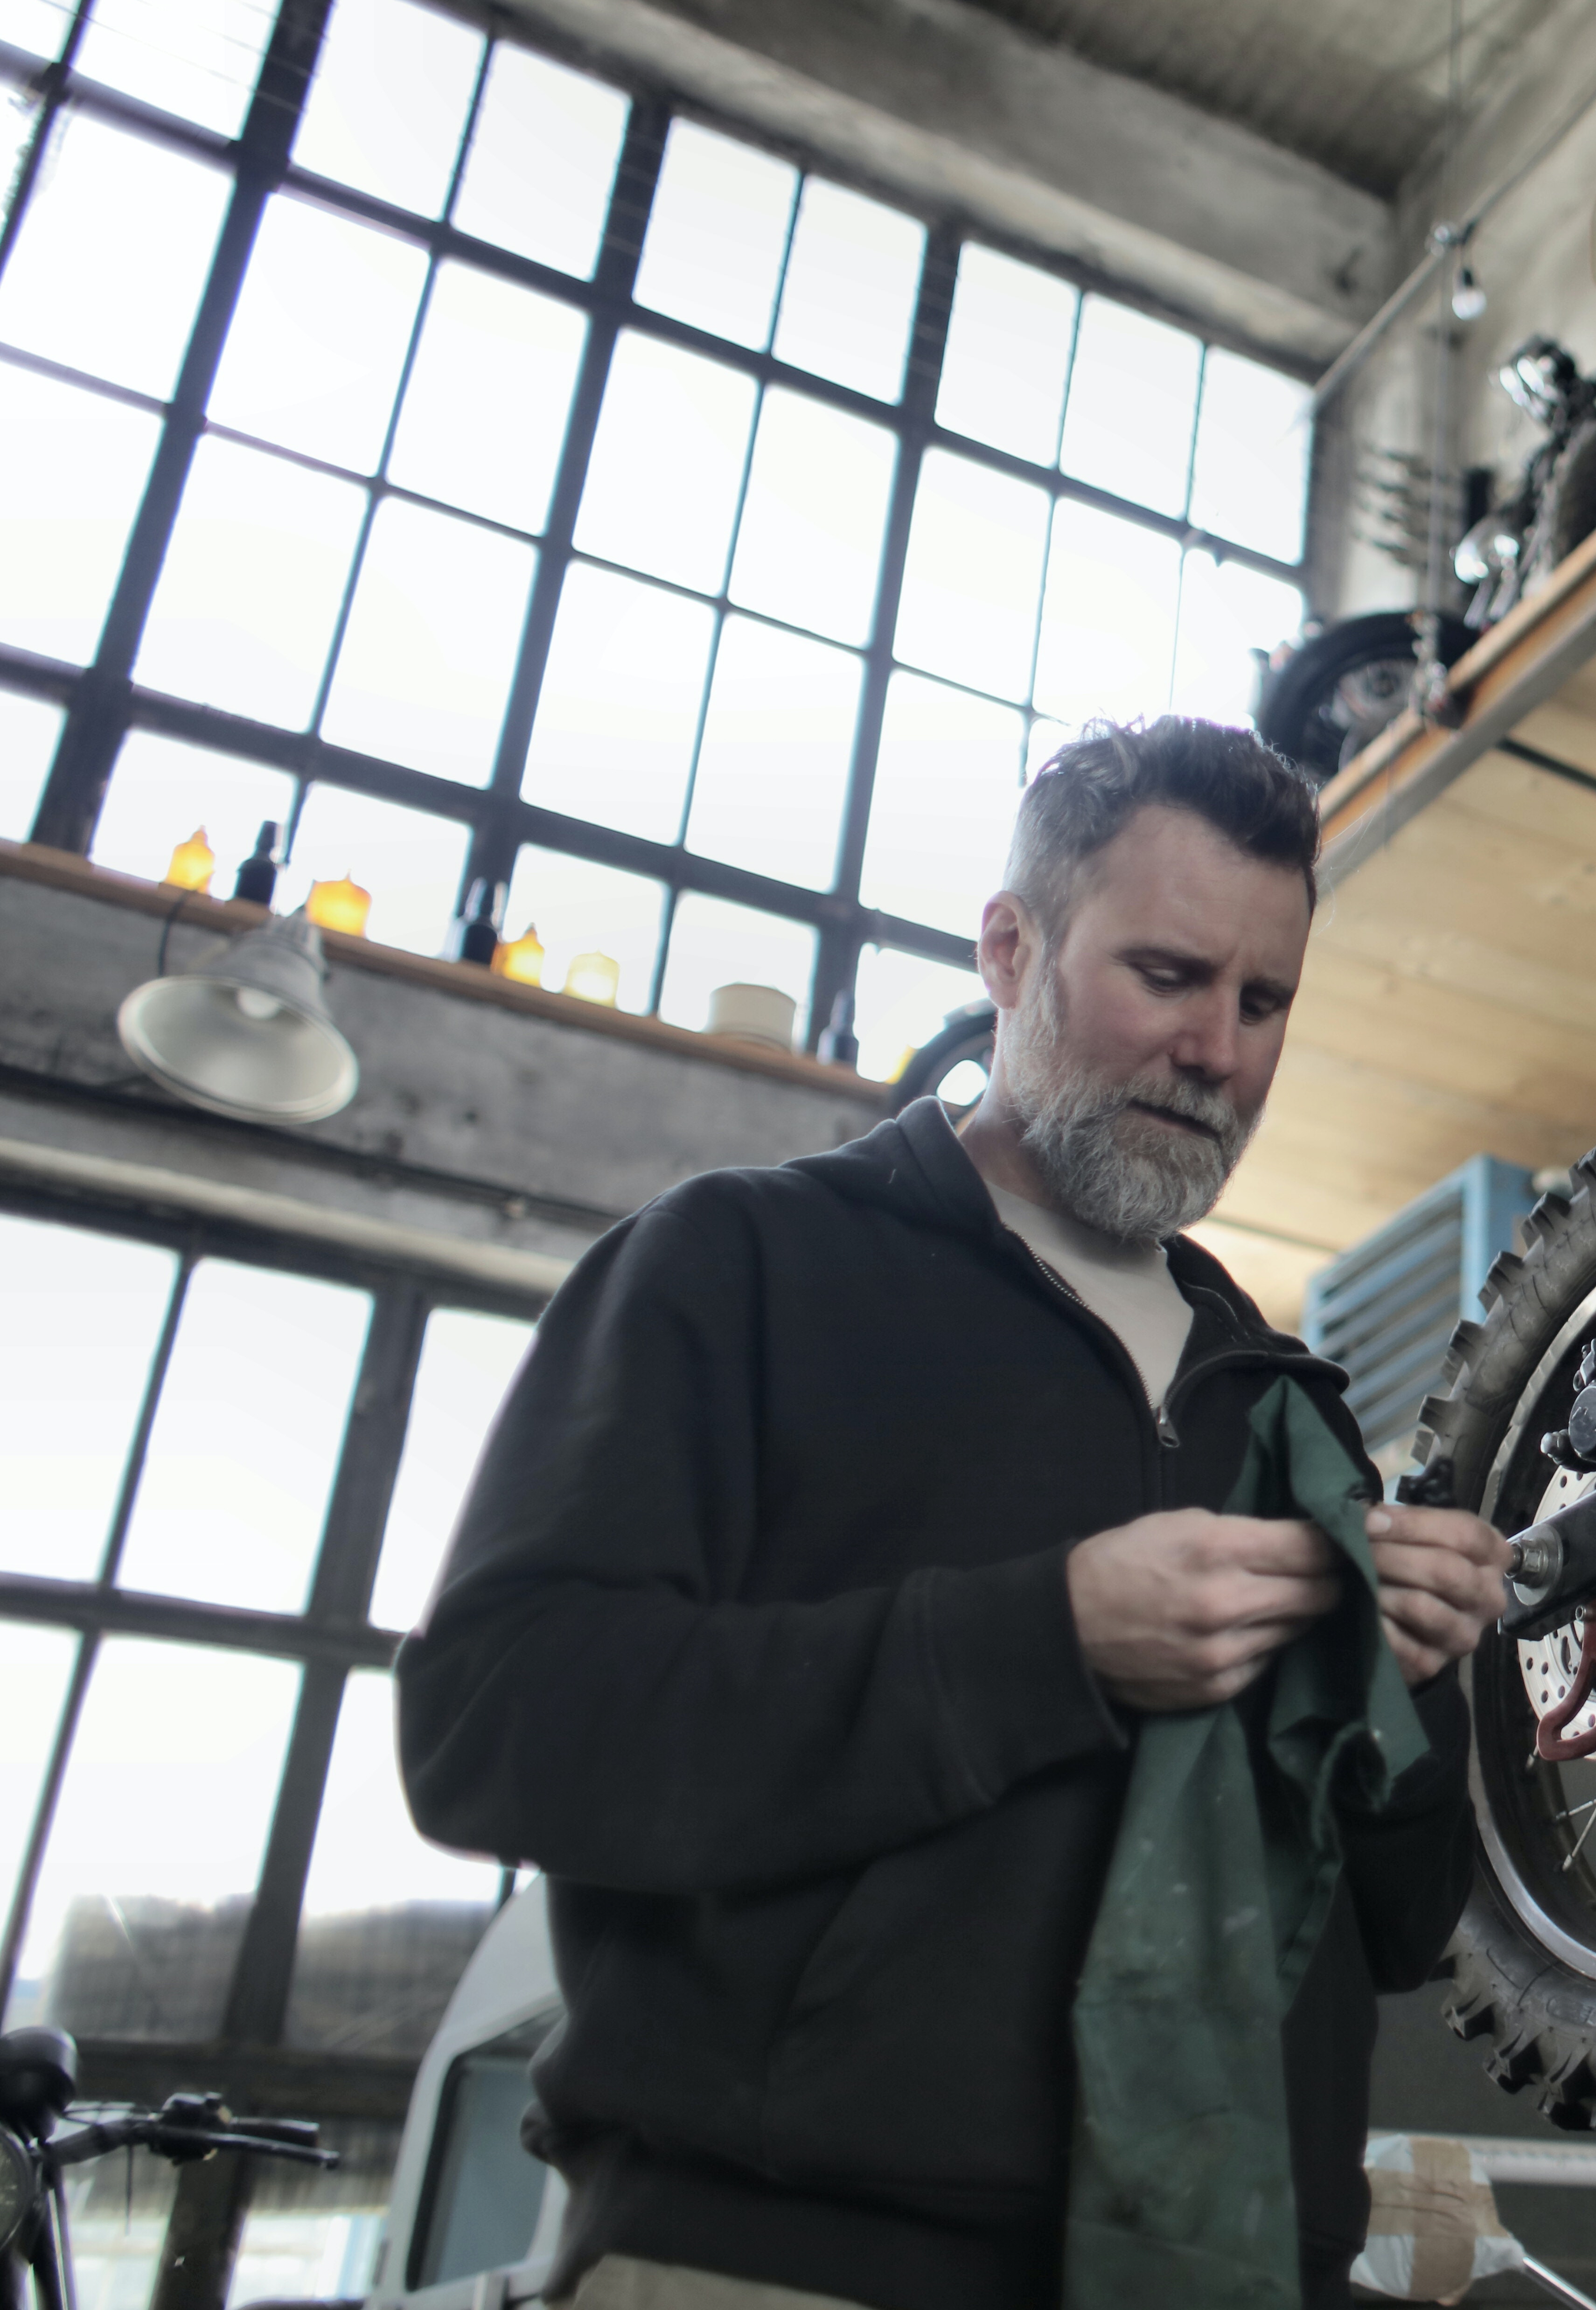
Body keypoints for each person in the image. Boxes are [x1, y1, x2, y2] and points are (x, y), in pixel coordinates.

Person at [397, 719, 1511, 2310]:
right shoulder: (743, 1268)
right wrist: (1045, 1640)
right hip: (777, 2257)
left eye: (1264, 1003)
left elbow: (1399, 1930)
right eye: (1169, 976)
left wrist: (1400, 1689)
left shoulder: (1292, 1411)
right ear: (1010, 947)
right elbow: (496, 1724)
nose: (1219, 1052)